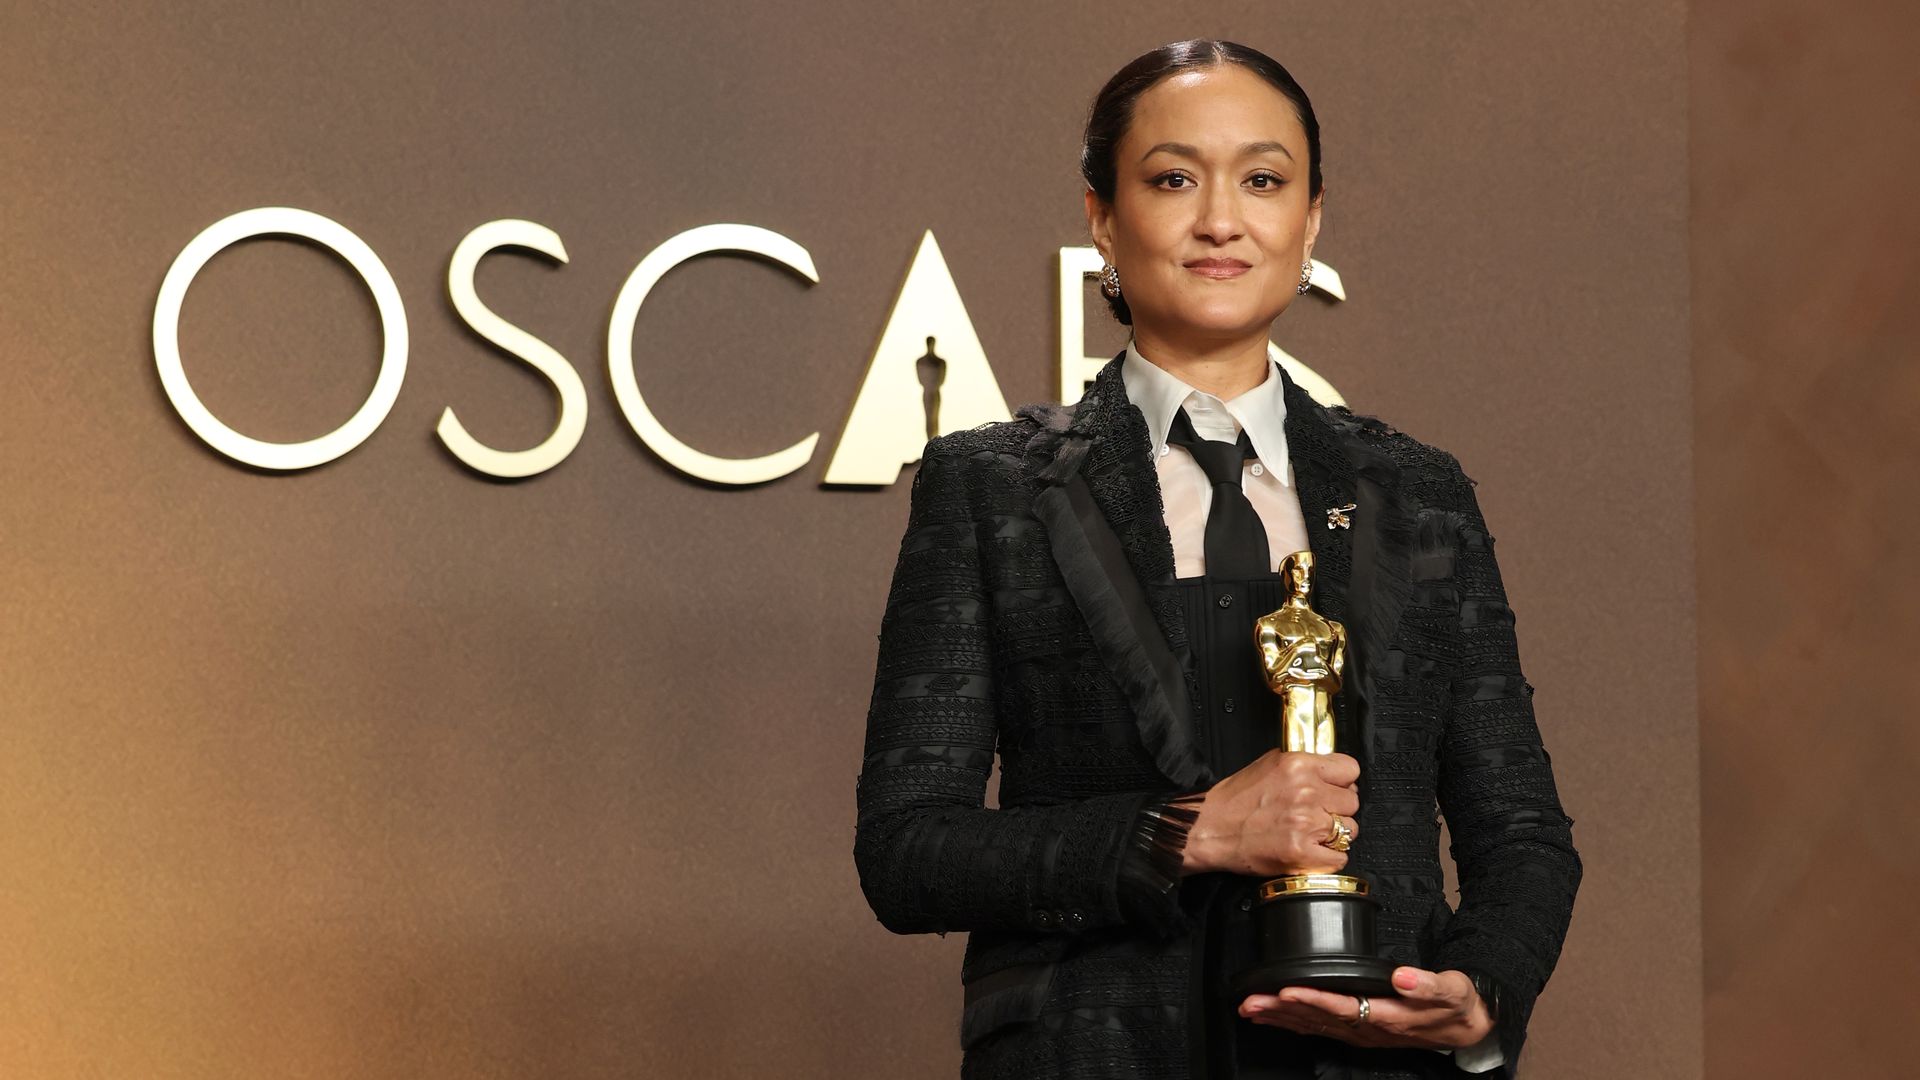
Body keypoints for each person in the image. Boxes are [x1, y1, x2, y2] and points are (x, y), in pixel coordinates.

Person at [853, 39, 1581, 1080]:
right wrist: (1187, 832)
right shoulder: (993, 486)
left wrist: (1479, 994)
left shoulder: (1418, 494)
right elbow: (907, 852)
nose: (1221, 219)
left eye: (1264, 179)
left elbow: (1521, 833)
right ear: (1102, 216)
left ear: (1312, 218)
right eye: (1173, 178)